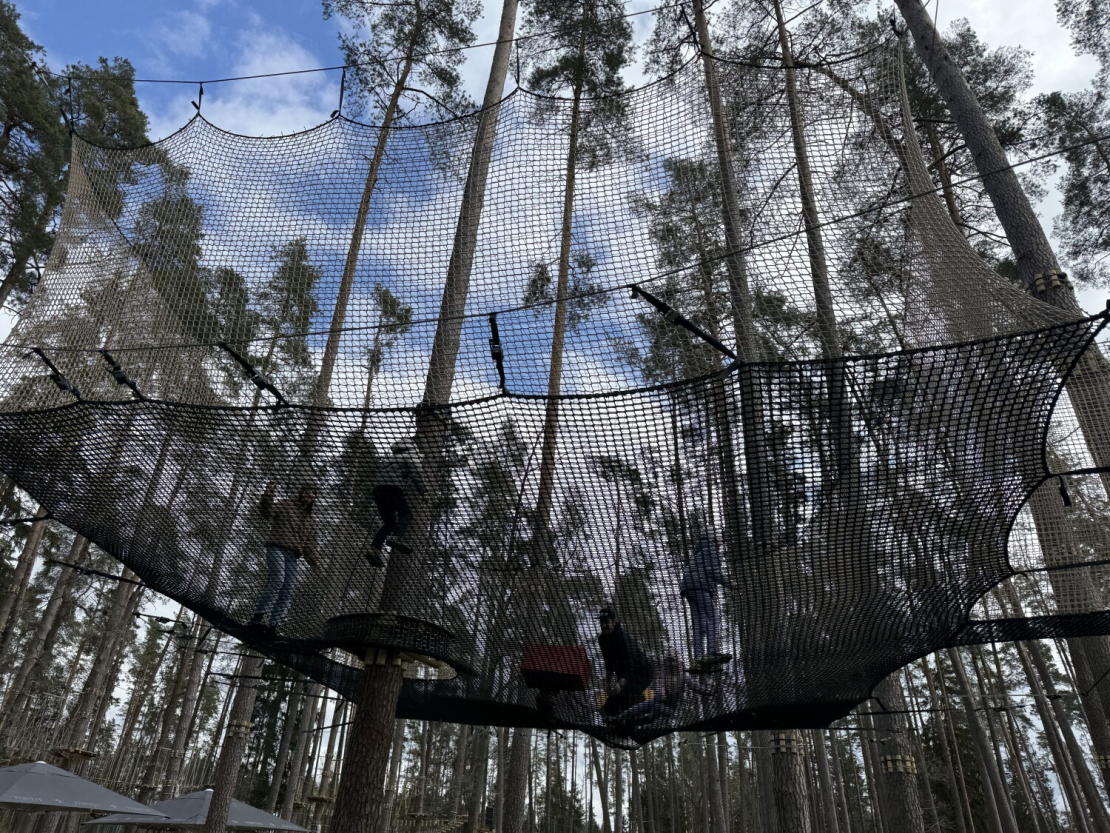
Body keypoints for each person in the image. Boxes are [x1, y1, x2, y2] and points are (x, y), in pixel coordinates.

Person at [249, 482, 319, 634]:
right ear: (301, 493)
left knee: (288, 589)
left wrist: (313, 561)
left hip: (292, 556)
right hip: (276, 548)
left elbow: (310, 545)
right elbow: (267, 512)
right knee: (278, 580)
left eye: (313, 493)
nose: (309, 495)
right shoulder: (286, 505)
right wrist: (268, 496)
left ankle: (273, 626)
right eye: (307, 491)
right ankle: (257, 618)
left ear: (314, 498)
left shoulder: (311, 521)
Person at [610, 651, 708, 734]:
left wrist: (706, 691)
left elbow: (695, 685)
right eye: (668, 661)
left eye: (671, 661)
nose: (669, 664)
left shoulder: (683, 675)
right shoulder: (664, 673)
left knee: (653, 713)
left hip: (671, 708)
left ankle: (635, 723)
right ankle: (618, 718)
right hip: (660, 700)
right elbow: (659, 684)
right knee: (638, 708)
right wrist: (662, 694)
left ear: (676, 661)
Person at [680, 533, 732, 670]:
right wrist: (730, 584)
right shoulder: (712, 550)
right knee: (714, 617)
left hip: (688, 589)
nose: (721, 543)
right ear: (715, 540)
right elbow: (713, 572)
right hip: (700, 587)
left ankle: (698, 660)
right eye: (720, 540)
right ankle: (711, 652)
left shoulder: (698, 553)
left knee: (700, 624)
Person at [368, 438, 426, 561]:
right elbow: (417, 474)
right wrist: (424, 492)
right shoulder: (411, 456)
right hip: (393, 488)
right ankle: (395, 537)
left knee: (389, 523)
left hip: (377, 491)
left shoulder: (389, 459)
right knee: (406, 514)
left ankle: (374, 550)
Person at [597, 608, 654, 720]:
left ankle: (629, 723)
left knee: (624, 696)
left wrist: (620, 682)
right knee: (610, 705)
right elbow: (608, 662)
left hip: (641, 674)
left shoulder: (623, 638)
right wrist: (608, 683)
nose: (603, 625)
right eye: (601, 622)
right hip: (624, 675)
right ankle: (615, 721)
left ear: (613, 622)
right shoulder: (602, 639)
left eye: (606, 622)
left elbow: (632, 665)